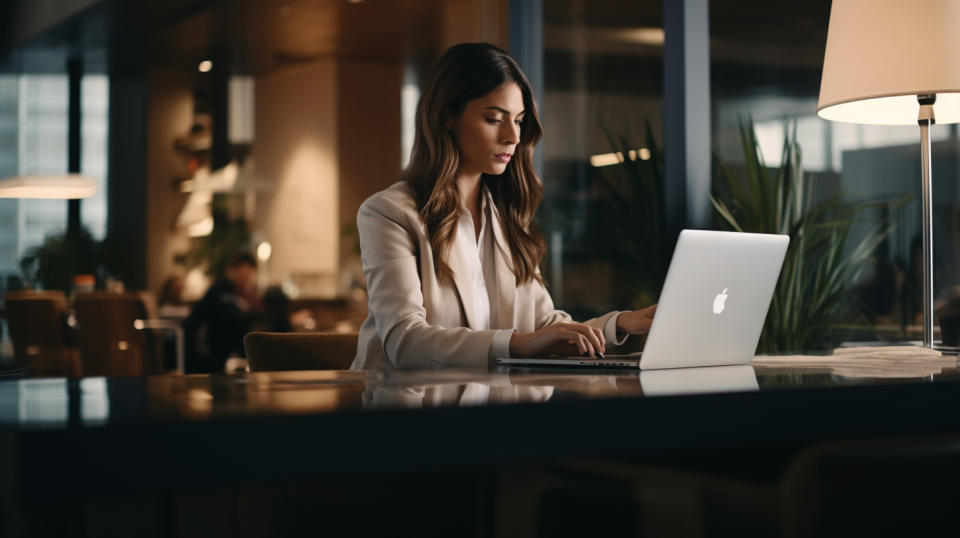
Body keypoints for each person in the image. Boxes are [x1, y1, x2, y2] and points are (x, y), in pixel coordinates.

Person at [351, 42, 656, 371]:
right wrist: (519, 344)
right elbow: (404, 341)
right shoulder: (389, 213)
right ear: (447, 117)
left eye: (520, 120)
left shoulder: (510, 215)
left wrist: (620, 324)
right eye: (495, 119)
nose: (513, 136)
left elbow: (544, 326)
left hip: (495, 407)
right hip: (405, 409)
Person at [183, 253, 261, 373]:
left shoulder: (241, 293)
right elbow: (198, 318)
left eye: (248, 275)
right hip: (215, 350)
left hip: (227, 347)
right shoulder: (221, 290)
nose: (246, 279)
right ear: (232, 271)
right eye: (243, 274)